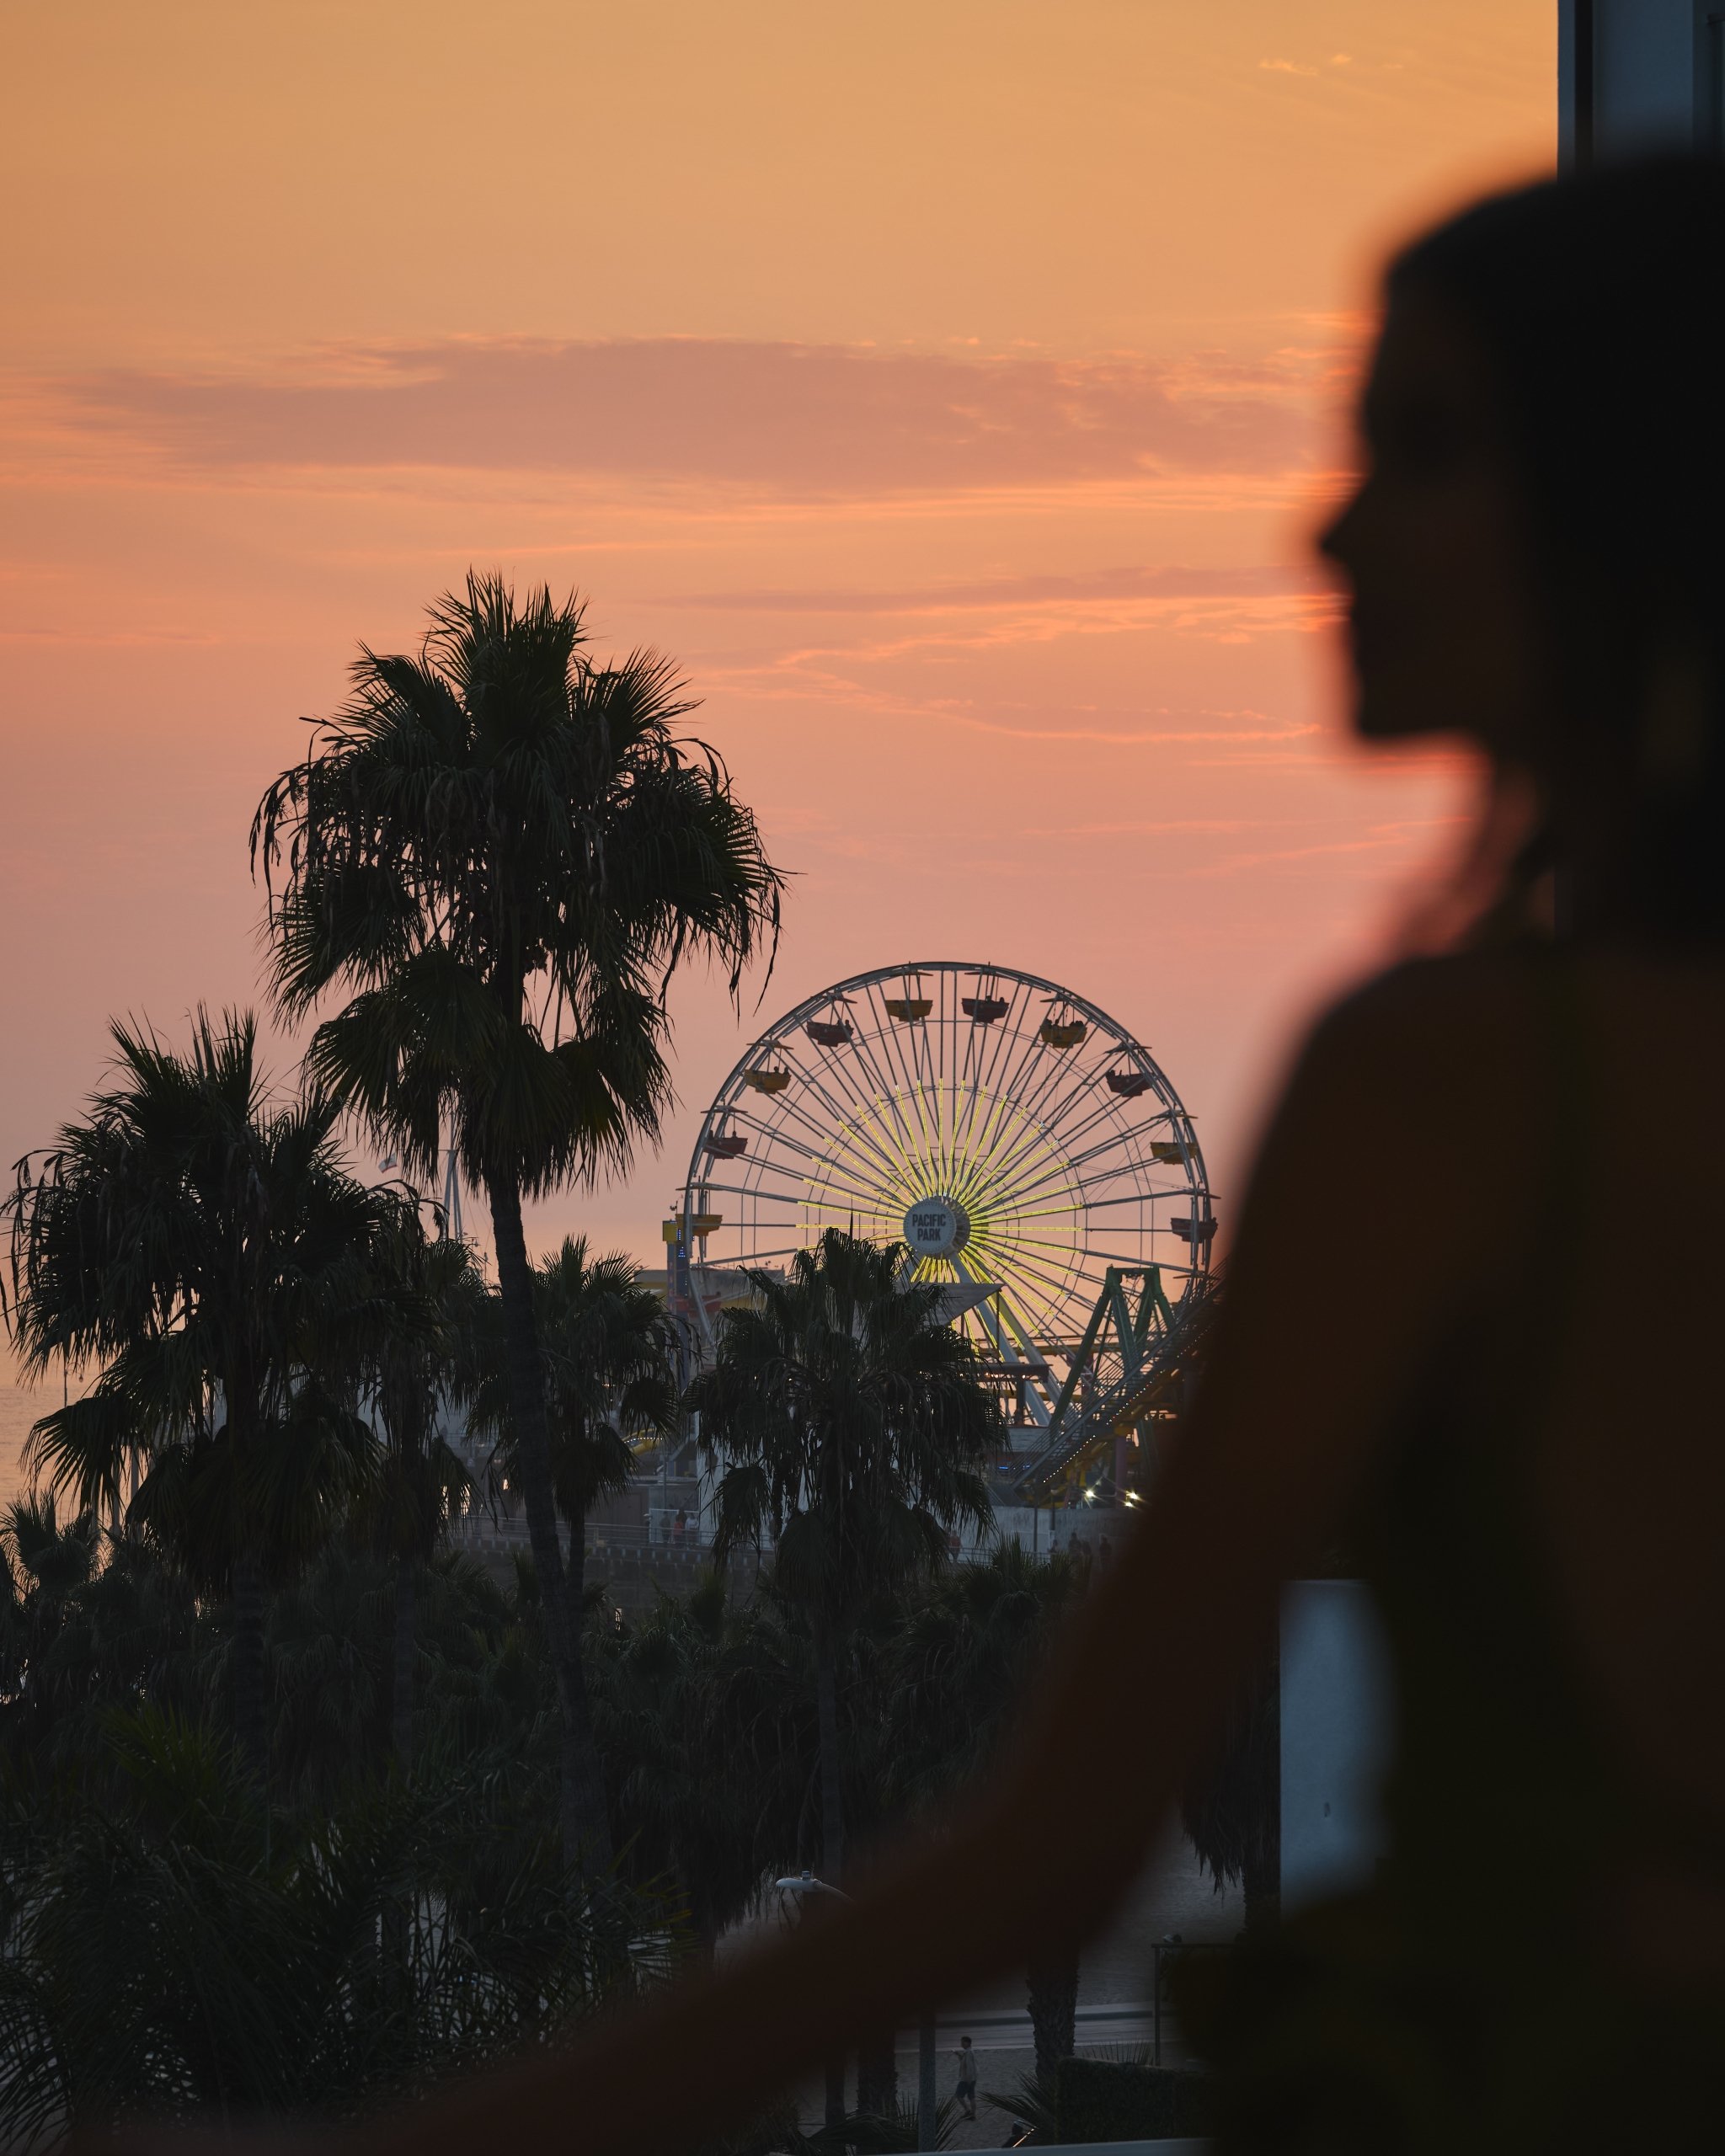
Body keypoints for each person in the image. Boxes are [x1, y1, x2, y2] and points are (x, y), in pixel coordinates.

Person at [128, 157, 1725, 2156]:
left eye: (1422, 451)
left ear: (1625, 511)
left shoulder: (1450, 1091)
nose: (1326, 525)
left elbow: (1043, 1854)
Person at [953, 2034, 978, 2121]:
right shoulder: (968, 2052)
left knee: (959, 2095)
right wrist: (959, 2055)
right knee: (971, 2096)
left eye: (962, 2042)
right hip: (972, 2078)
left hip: (967, 2079)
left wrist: (968, 2080)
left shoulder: (969, 2052)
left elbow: (969, 2067)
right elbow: (965, 2063)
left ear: (967, 2043)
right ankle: (973, 2115)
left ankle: (968, 2111)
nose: (961, 2044)